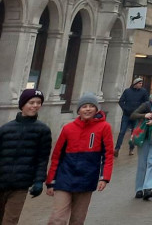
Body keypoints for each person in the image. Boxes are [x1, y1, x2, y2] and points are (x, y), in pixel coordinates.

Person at [45, 92, 114, 225]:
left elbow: (108, 155)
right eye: (84, 106)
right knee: (57, 218)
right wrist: (51, 181)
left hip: (87, 179)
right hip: (64, 177)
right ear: (79, 110)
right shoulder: (68, 128)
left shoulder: (104, 127)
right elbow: (57, 155)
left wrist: (104, 178)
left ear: (96, 109)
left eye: (91, 106)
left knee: (77, 219)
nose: (87, 109)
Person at [0, 89, 52, 224]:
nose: (35, 105)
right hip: (1, 181)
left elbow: (42, 159)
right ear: (22, 104)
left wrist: (39, 181)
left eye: (38, 103)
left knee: (10, 220)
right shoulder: (5, 129)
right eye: (31, 102)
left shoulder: (43, 131)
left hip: (21, 184)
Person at [114, 77, 148, 157]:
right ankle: (117, 148)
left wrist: (140, 111)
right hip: (126, 115)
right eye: (139, 83)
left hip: (136, 116)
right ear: (135, 84)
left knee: (134, 133)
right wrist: (125, 109)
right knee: (122, 132)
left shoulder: (143, 92)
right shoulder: (127, 91)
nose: (141, 85)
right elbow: (121, 101)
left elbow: (146, 103)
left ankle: (131, 148)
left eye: (141, 83)